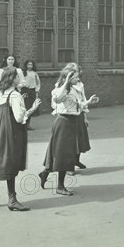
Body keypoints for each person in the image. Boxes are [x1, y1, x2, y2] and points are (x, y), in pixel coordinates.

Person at [0, 68, 41, 211]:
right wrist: (32, 109)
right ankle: (12, 199)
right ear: (12, 79)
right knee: (10, 161)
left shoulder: (1, 93)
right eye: (18, 77)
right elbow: (19, 118)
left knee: (1, 160)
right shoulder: (15, 95)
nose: (20, 79)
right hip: (11, 131)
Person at [39, 64, 84, 195]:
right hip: (63, 122)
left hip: (71, 122)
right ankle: (60, 186)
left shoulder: (74, 89)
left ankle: (45, 173)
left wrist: (87, 103)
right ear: (68, 78)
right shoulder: (61, 89)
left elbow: (78, 105)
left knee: (61, 152)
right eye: (75, 76)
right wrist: (65, 83)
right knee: (63, 154)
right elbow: (57, 99)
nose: (78, 78)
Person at [21, 59, 41, 131]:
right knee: (24, 107)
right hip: (24, 90)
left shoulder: (34, 73)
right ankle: (22, 124)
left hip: (32, 91)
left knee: (30, 108)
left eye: (31, 65)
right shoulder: (23, 73)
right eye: (28, 65)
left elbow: (38, 83)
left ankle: (28, 124)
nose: (30, 66)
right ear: (26, 65)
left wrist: (37, 91)